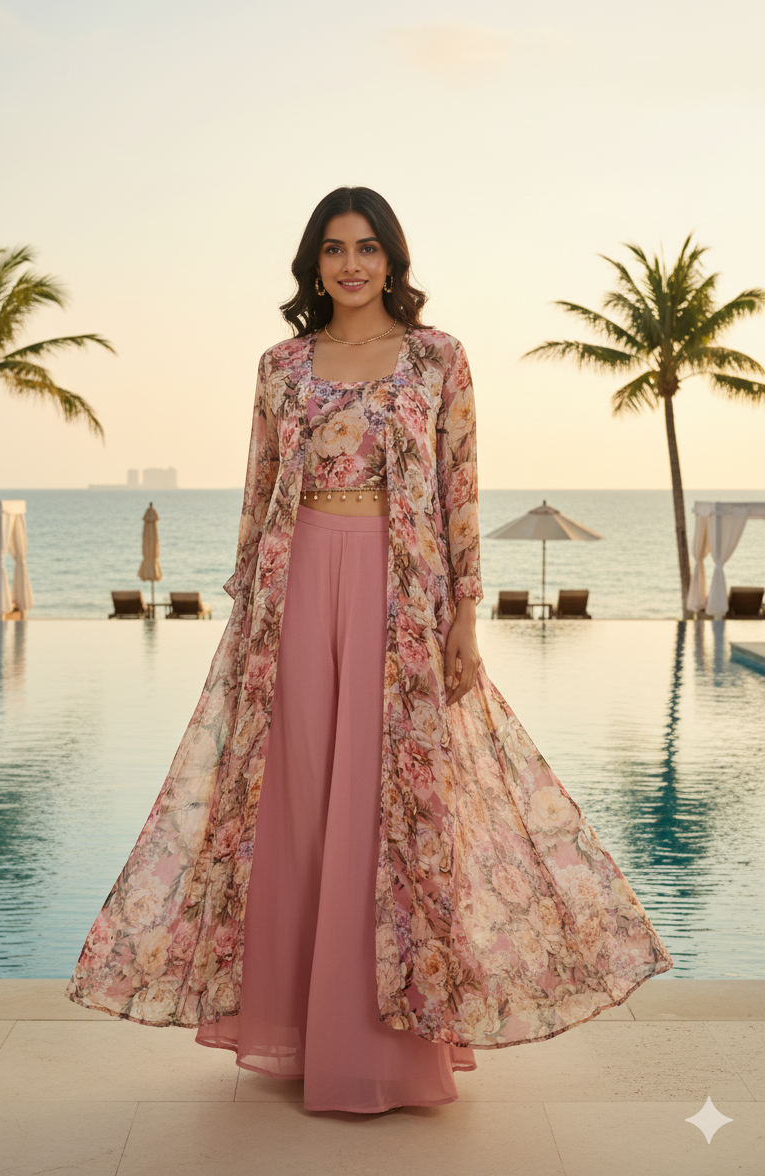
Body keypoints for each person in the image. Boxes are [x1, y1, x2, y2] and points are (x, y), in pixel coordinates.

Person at [65, 186, 674, 1115]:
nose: (352, 264)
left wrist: (465, 613)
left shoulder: (439, 359)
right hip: (298, 584)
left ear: (394, 259)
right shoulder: (280, 366)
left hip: (403, 593)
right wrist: (246, 614)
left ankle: (383, 1049)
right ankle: (302, 1033)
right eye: (335, 248)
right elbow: (258, 488)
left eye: (369, 248)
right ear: (314, 261)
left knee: (389, 803)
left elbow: (460, 490)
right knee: (303, 799)